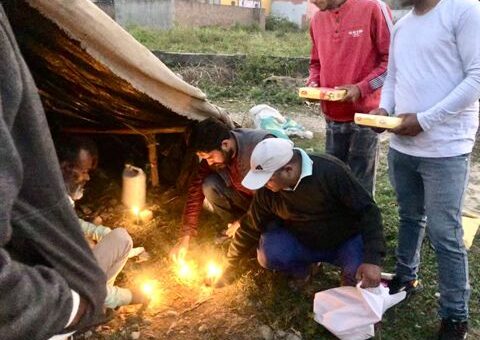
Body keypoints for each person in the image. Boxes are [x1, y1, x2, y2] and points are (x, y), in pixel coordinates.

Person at [369, 0, 480, 337]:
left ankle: (455, 316)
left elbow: (477, 78)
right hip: (403, 146)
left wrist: (425, 120)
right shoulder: (402, 25)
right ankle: (406, 276)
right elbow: (393, 77)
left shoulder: (463, 11)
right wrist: (383, 110)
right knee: (409, 215)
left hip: (445, 149)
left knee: (445, 233)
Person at [0, 5, 106, 339]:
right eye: (81, 172)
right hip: (46, 307)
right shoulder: (37, 201)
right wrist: (72, 308)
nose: (85, 179)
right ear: (60, 165)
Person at [218, 138, 386, 289]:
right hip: (304, 241)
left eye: (268, 179)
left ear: (288, 170)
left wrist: (372, 259)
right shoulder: (267, 192)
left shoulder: (330, 172)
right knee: (270, 253)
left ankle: (350, 282)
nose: (265, 185)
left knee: (358, 279)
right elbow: (250, 226)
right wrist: (230, 264)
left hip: (345, 239)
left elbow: (368, 211)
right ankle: (304, 269)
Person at [307, 0, 392, 195]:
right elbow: (315, 63)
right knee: (333, 180)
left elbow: (392, 62)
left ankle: (362, 225)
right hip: (332, 116)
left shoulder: (373, 8)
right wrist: (313, 84)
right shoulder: (317, 20)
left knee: (360, 184)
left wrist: (361, 88)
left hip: (365, 117)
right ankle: (337, 224)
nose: (311, 1)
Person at [57, 137, 149, 309]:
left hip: (79, 278)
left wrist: (100, 233)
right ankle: (96, 305)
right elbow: (79, 281)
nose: (88, 178)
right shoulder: (46, 207)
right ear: (64, 167)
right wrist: (130, 296)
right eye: (83, 170)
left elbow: (72, 223)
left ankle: (101, 300)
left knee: (121, 238)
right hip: (65, 297)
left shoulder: (60, 197)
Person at [169, 117, 274, 261]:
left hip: (270, 205)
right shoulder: (218, 151)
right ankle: (235, 229)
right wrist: (186, 236)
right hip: (245, 198)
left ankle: (247, 230)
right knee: (209, 185)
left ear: (225, 144)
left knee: (269, 250)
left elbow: (273, 198)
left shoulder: (260, 148)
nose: (209, 162)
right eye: (205, 158)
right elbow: (195, 190)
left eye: (210, 157)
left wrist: (243, 221)